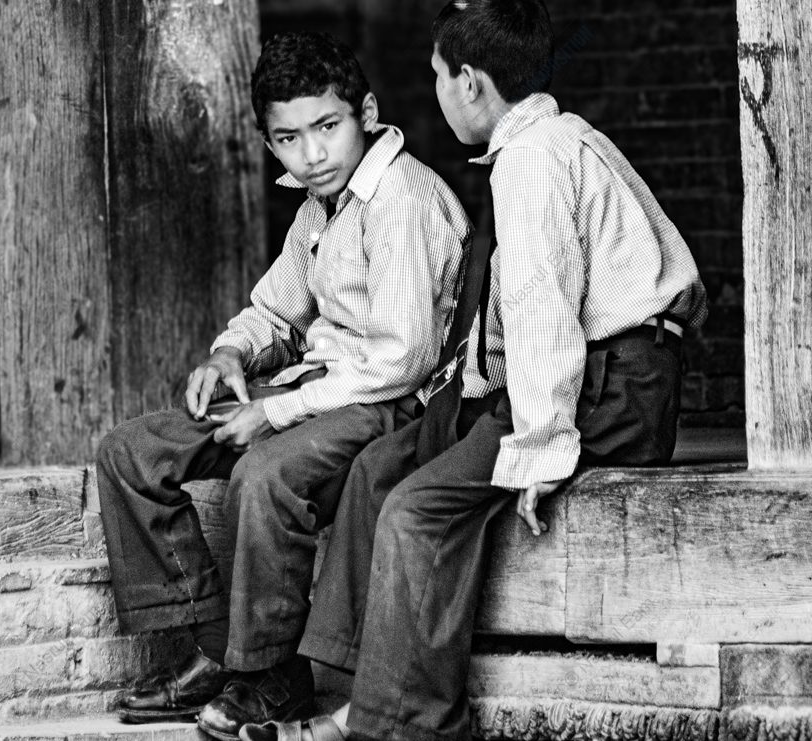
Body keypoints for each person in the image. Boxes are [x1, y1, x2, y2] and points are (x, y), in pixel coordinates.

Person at [239, 2, 709, 741]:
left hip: (605, 388)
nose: (432, 93)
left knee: (417, 507)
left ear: (470, 82)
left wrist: (542, 444)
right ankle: (346, 680)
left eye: (435, 77)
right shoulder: (553, 138)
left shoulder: (533, 160)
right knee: (380, 465)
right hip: (591, 377)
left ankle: (397, 720)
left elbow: (540, 302)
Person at [94, 30, 472, 740]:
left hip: (387, 405)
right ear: (270, 144)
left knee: (265, 474)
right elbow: (276, 309)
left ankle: (269, 677)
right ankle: (216, 649)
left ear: (365, 111)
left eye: (327, 128)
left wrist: (276, 411)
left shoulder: (404, 201)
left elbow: (402, 359)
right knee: (132, 450)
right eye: (289, 138)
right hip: (312, 389)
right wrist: (229, 351)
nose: (313, 154)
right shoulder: (318, 206)